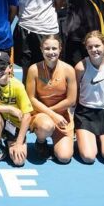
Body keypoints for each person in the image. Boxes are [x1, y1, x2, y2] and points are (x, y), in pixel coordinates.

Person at [25, 34, 77, 164]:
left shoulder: (69, 70)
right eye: (47, 49)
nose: (51, 52)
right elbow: (31, 99)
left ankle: (57, 140)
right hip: (41, 115)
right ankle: (41, 142)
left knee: (64, 158)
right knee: (46, 126)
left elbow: (71, 100)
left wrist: (52, 113)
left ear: (60, 49)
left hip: (62, 116)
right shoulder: (33, 69)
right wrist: (52, 115)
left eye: (54, 48)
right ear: (41, 49)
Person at [74, 32, 104, 165]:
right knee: (89, 157)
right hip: (85, 114)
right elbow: (76, 91)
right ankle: (88, 136)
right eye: (90, 47)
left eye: (97, 46)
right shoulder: (80, 67)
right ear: (86, 48)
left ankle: (98, 138)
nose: (94, 50)